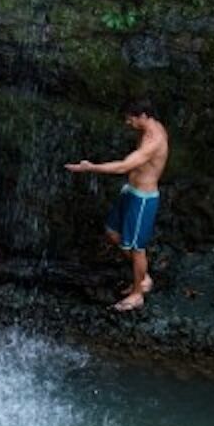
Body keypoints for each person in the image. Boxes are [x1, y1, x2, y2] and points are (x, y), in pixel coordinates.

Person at [65, 99, 170, 311]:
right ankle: (143, 276)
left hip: (143, 199)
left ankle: (138, 293)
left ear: (142, 116)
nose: (127, 123)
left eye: (130, 118)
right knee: (112, 232)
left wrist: (90, 167)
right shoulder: (149, 126)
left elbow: (123, 166)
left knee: (136, 248)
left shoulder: (154, 140)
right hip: (130, 190)